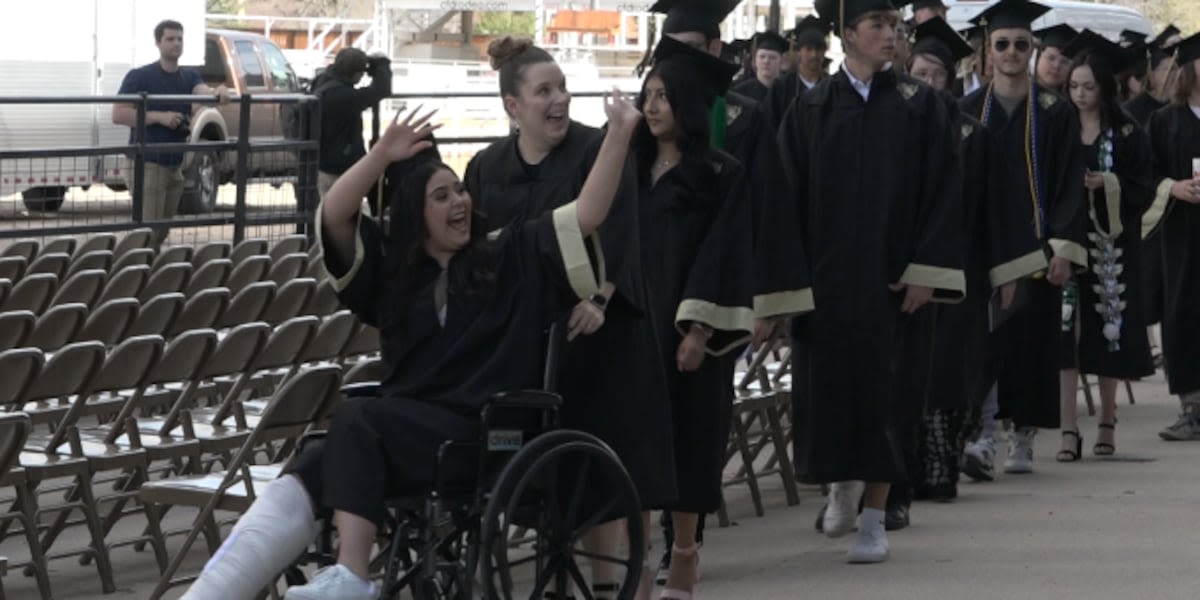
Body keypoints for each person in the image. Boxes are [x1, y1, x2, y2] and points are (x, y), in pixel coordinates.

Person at [178, 99, 642, 600]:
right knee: (316, 458)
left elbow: (589, 212)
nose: (459, 202)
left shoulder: (509, 254)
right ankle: (210, 594)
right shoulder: (395, 278)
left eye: (459, 189)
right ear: (414, 218)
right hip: (409, 436)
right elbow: (335, 214)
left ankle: (352, 577)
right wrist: (379, 155)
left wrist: (618, 134)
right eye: (440, 196)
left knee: (356, 420)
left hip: (487, 434)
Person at [463, 36, 672, 598]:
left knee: (602, 464)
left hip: (601, 335)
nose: (559, 99)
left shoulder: (594, 149)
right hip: (526, 343)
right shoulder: (486, 167)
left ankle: (609, 586)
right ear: (512, 105)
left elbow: (626, 228)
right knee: (534, 467)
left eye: (562, 88)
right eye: (544, 91)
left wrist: (601, 297)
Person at [779, 0, 963, 564]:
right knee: (828, 392)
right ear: (847, 34)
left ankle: (876, 521)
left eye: (895, 25)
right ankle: (839, 485)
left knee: (889, 396)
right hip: (828, 285)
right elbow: (783, 202)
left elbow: (944, 191)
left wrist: (924, 273)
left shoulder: (920, 107)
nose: (891, 35)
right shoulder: (809, 109)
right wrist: (787, 289)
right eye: (877, 25)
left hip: (893, 282)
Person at [646, 0, 814, 583]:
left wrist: (762, 302)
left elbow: (763, 215)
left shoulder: (744, 120)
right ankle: (654, 538)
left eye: (694, 44)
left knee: (696, 419)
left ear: (717, 50)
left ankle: (681, 541)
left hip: (714, 300)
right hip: (650, 304)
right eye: (674, 45)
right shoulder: (640, 133)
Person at [636, 37, 757, 599]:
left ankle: (684, 549)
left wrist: (700, 328)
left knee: (690, 436)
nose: (653, 106)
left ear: (687, 103)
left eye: (664, 96)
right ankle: (636, 555)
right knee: (636, 437)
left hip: (686, 329)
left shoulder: (719, 173)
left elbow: (725, 252)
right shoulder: (630, 167)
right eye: (649, 95)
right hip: (635, 323)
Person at [904, 16, 1038, 504]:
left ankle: (943, 462)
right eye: (920, 74)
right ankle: (910, 469)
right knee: (912, 371)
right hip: (904, 273)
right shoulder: (893, 130)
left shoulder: (970, 133)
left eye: (938, 75)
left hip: (963, 271)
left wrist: (1005, 271)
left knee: (955, 371)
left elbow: (998, 207)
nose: (930, 83)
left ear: (952, 78)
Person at [958, 0, 1087, 477]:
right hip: (981, 251)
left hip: (1036, 248)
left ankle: (1023, 436)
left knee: (1030, 345)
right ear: (988, 51)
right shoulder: (967, 109)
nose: (1012, 52)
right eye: (1003, 44)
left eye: (1021, 44)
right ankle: (982, 436)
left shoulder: (1054, 111)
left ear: (1032, 48)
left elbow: (1070, 183)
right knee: (981, 344)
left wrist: (1063, 250)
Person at [1057, 30, 1156, 461]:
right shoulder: (1056, 127)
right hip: (1065, 240)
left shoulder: (1128, 132)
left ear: (1104, 87)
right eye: (1073, 86)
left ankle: (1107, 421)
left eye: (1088, 86)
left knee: (1108, 328)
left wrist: (1107, 183)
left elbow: (1144, 186)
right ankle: (1065, 428)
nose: (1079, 94)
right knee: (1065, 331)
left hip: (1110, 242)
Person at [111, 19, 229, 248]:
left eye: (180, 39)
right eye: (170, 39)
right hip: (147, 163)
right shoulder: (140, 76)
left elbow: (202, 92)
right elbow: (118, 114)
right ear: (158, 43)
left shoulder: (189, 76)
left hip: (175, 164)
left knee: (161, 231)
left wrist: (217, 93)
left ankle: (145, 271)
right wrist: (159, 117)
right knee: (148, 232)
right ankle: (132, 273)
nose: (176, 44)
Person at [1148, 33, 1200, 441]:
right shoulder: (1165, 121)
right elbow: (1146, 175)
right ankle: (1191, 406)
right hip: (1182, 232)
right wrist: (1173, 187)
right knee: (1182, 312)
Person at [312, 48, 393, 210]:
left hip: (322, 163)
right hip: (339, 168)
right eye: (361, 73)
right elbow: (381, 90)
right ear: (355, 73)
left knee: (328, 214)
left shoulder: (322, 81)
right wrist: (381, 64)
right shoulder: (343, 96)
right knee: (346, 217)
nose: (362, 76)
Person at [766, 15, 833, 129]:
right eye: (809, 49)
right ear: (799, 51)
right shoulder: (782, 87)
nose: (814, 55)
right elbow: (770, 126)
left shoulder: (832, 86)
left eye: (819, 49)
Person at [733, 30, 789, 103]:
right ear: (755, 60)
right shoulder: (739, 93)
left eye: (772, 57)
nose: (766, 61)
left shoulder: (790, 94)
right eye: (762, 57)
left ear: (781, 61)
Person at [1034, 24, 1079, 95]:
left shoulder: (1073, 104)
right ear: (1039, 56)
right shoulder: (1017, 93)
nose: (1057, 66)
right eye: (1051, 58)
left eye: (1065, 62)